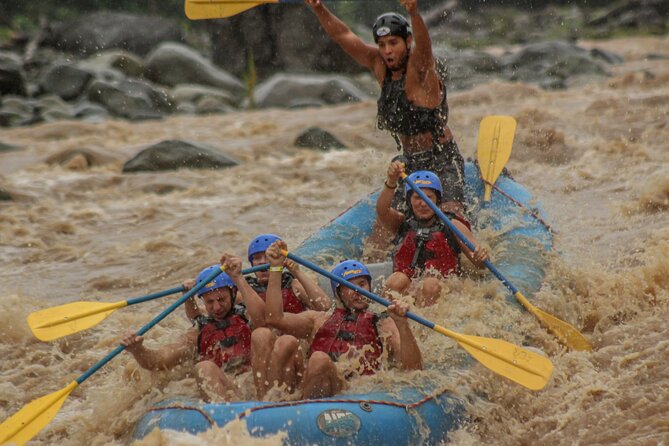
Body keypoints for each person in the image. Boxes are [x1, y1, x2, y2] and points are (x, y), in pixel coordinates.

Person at [305, 0, 466, 218]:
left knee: (451, 216)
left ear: (407, 41)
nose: (387, 51)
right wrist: (318, 7)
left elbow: (425, 47)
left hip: (442, 158)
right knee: (386, 222)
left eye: (393, 43)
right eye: (382, 44)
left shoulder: (419, 69)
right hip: (409, 160)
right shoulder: (378, 64)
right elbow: (343, 36)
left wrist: (414, 13)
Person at [262, 240, 423, 399]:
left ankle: (301, 413)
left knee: (319, 360)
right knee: (285, 342)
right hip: (311, 384)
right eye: (349, 286)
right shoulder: (317, 319)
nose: (357, 291)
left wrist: (403, 325)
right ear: (338, 293)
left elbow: (413, 368)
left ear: (370, 287)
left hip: (350, 391)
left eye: (362, 284)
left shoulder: (383, 322)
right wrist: (275, 268)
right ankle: (268, 406)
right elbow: (274, 318)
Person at [121, 254, 268, 402]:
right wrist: (137, 349)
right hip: (225, 388)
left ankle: (265, 405)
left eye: (221, 299)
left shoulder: (249, 315)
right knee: (203, 367)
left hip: (256, 383)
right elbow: (159, 361)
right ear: (203, 300)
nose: (216, 307)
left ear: (233, 293)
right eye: (209, 302)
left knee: (262, 334)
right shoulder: (198, 332)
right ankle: (224, 417)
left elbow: (264, 318)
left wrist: (238, 278)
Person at [377, 164, 489, 307]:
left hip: (441, 288)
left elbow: (480, 264)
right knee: (395, 280)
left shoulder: (452, 224)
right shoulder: (401, 222)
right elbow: (382, 210)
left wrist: (482, 256)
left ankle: (425, 326)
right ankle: (387, 320)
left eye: (428, 197)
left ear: (437, 199)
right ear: (409, 200)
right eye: (417, 197)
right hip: (410, 287)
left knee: (430, 284)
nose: (423, 203)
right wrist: (391, 181)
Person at [245, 233, 331, 313]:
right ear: (252, 264)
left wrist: (297, 272)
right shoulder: (246, 288)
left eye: (268, 257)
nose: (262, 262)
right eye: (257, 258)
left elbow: (325, 307)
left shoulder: (292, 284)